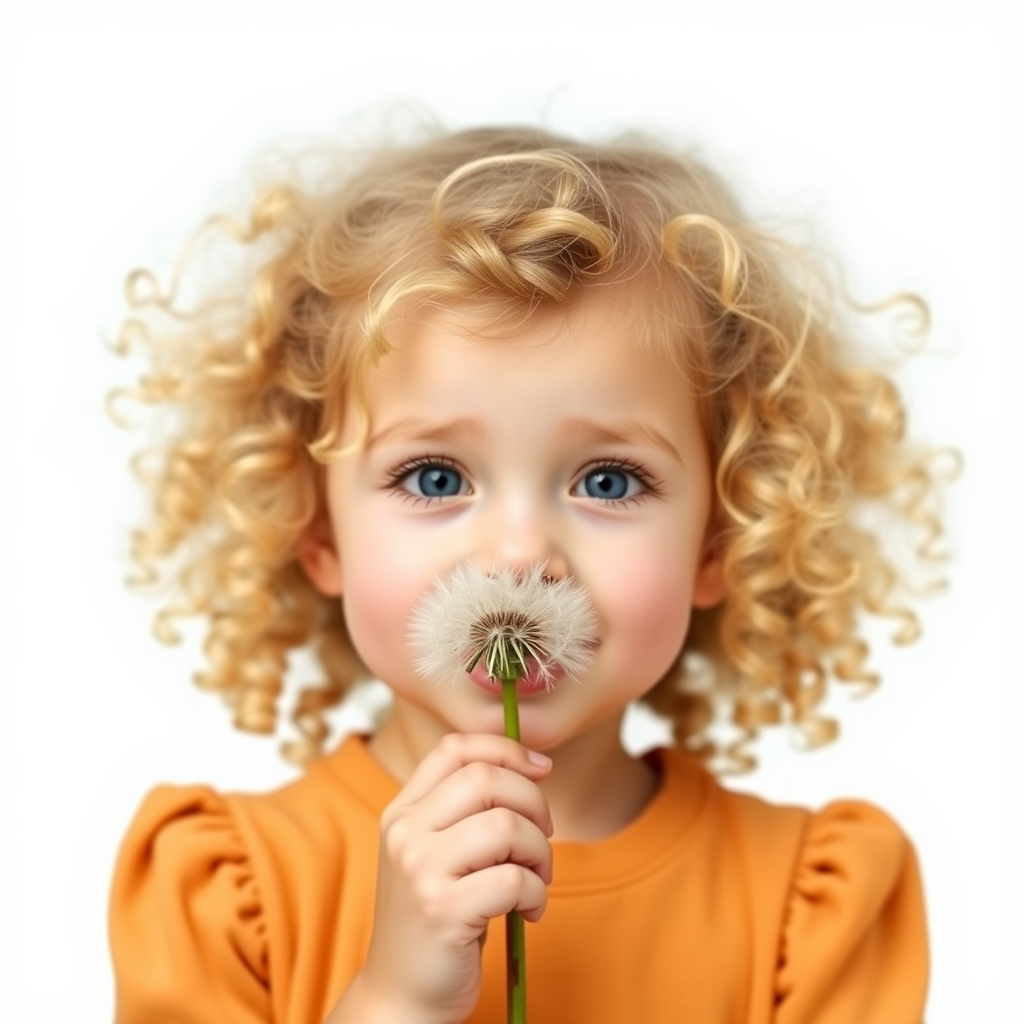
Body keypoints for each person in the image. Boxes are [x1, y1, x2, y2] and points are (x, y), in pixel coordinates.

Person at [108, 124, 945, 1024]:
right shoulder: (227, 893)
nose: (519, 553)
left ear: (719, 540)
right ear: (317, 532)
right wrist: (391, 1001)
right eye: (435, 478)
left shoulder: (807, 910)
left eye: (608, 480)